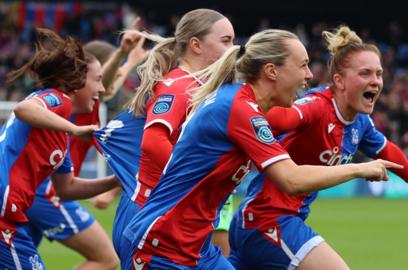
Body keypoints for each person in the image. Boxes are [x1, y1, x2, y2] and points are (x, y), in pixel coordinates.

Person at [119, 28, 402, 269]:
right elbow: (291, 180)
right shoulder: (239, 108)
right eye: (302, 65)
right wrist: (359, 168)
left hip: (197, 248)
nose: (308, 76)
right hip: (162, 246)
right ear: (271, 71)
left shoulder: (245, 106)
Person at [227, 25, 408, 270]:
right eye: (365, 74)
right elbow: (278, 118)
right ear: (339, 81)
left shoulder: (360, 123)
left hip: (271, 219)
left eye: (379, 74)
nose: (375, 81)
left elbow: (386, 150)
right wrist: (243, 112)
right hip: (268, 218)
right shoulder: (316, 106)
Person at [92, 8, 236, 256]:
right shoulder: (180, 85)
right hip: (152, 212)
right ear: (196, 45)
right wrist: (197, 183)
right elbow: (153, 141)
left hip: (169, 210)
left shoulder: (200, 87)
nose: (234, 48)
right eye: (226, 41)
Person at [24, 24, 146, 270]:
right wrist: (122, 54)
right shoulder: (76, 106)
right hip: (46, 191)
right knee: (107, 258)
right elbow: (110, 84)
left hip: (37, 190)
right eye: (97, 78)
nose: (103, 87)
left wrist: (128, 59)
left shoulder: (72, 103)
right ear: (81, 78)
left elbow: (111, 82)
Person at [0, 28, 118, 269]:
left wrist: (117, 180)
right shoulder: (57, 98)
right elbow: (24, 109)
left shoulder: (59, 134)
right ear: (76, 82)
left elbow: (66, 188)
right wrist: (74, 130)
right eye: (98, 80)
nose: (103, 89)